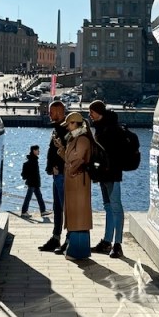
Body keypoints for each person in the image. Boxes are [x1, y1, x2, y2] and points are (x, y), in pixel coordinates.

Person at [88, 99, 125, 259]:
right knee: (108, 207)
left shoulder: (111, 128)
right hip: (103, 174)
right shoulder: (100, 127)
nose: (90, 116)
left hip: (113, 174)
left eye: (92, 113)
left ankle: (117, 244)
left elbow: (111, 152)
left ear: (99, 113)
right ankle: (107, 241)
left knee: (115, 207)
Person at [55, 111, 93, 260]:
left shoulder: (82, 139)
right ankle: (76, 250)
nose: (67, 128)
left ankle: (77, 252)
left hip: (79, 180)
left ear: (75, 124)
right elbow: (71, 160)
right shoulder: (75, 138)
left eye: (69, 124)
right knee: (76, 215)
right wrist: (63, 148)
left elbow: (77, 159)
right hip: (75, 180)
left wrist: (69, 166)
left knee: (78, 216)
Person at [38, 100, 67, 252]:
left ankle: (68, 239)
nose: (49, 114)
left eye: (52, 112)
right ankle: (56, 238)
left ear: (60, 113)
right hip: (56, 175)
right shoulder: (57, 129)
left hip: (62, 174)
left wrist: (57, 168)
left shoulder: (65, 130)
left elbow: (68, 153)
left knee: (65, 208)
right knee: (57, 208)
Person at [20, 145, 49, 218]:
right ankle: (24, 212)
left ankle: (43, 211)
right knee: (28, 197)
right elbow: (33, 173)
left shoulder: (34, 159)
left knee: (39, 197)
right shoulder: (33, 160)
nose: (39, 151)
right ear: (34, 151)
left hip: (34, 183)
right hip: (32, 183)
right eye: (38, 150)